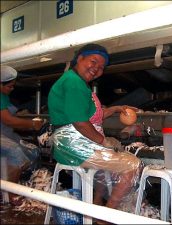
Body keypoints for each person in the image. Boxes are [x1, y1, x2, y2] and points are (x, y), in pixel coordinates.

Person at [47, 43, 143, 214]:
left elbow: (92, 116)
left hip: (76, 142)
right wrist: (103, 141)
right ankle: (107, 215)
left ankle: (97, 204)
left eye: (101, 67)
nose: (97, 69)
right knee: (132, 164)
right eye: (93, 62)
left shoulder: (77, 82)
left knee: (108, 165)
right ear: (80, 58)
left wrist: (115, 109)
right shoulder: (73, 82)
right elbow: (80, 122)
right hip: (74, 144)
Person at [1, 65, 44, 203]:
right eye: (9, 86)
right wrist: (32, 124)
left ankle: (26, 184)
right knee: (16, 152)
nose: (12, 89)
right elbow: (8, 120)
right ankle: (9, 193)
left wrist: (21, 116)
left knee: (33, 151)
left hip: (5, 133)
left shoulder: (3, 96)